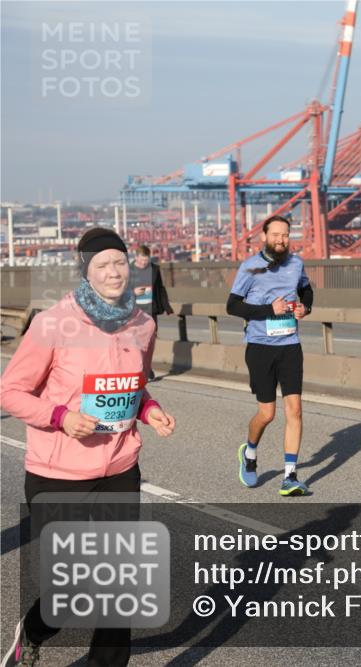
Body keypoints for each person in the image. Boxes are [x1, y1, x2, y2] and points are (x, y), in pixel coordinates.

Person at [1, 227, 176, 667]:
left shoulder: (143, 324)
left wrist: (149, 410)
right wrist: (61, 417)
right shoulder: (53, 324)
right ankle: (36, 630)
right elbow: (11, 392)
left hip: (119, 467)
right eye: (103, 264)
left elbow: (136, 385)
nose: (114, 272)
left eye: (119, 262)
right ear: (86, 270)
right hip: (57, 473)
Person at [226, 215, 313, 497]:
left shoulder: (296, 264)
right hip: (261, 347)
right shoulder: (250, 268)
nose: (281, 240)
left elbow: (306, 290)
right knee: (267, 413)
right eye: (275, 235)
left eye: (285, 235)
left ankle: (290, 476)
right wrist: (267, 311)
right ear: (264, 237)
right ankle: (249, 453)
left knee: (295, 410)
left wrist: (305, 308)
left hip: (290, 345)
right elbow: (233, 306)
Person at [129, 245, 173, 380]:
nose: (144, 263)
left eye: (146, 260)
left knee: (149, 341)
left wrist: (167, 307)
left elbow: (160, 289)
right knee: (136, 342)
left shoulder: (154, 269)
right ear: (136, 257)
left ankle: (147, 368)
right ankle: (139, 368)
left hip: (150, 311)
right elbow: (120, 290)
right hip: (134, 312)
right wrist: (133, 293)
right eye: (142, 260)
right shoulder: (128, 271)